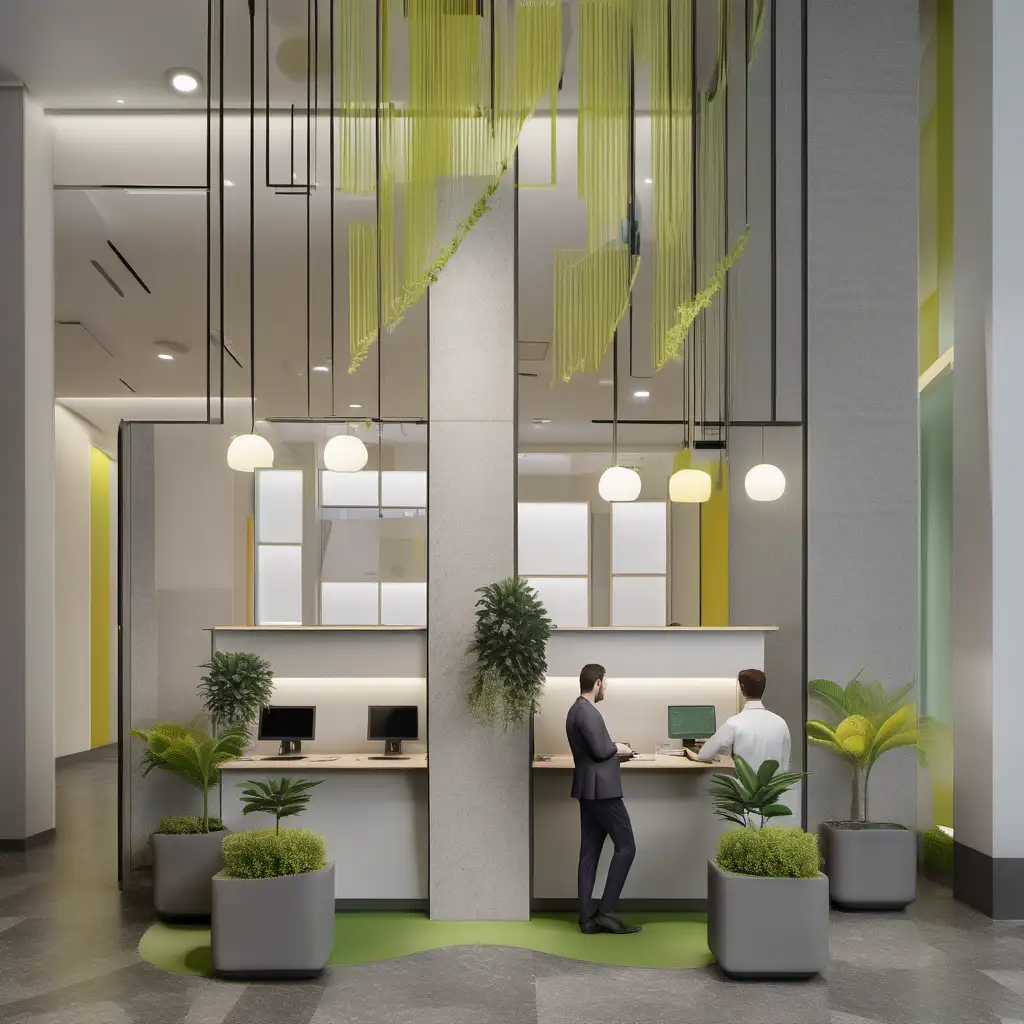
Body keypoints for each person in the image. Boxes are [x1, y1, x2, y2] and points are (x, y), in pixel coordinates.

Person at [565, 664, 641, 935]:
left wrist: (613, 749)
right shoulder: (588, 712)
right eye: (604, 683)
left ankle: (587, 918)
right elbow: (600, 751)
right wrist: (620, 748)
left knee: (589, 853)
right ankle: (606, 912)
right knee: (627, 846)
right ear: (597, 683)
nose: (605, 687)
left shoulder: (575, 710)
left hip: (588, 790)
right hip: (604, 791)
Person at [694, 668, 791, 769]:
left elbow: (704, 756)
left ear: (742, 687)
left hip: (744, 785)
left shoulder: (734, 723)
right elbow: (785, 763)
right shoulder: (780, 723)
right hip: (774, 785)